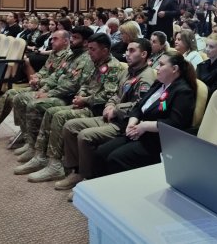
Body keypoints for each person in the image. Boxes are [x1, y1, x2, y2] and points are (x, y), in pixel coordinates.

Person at [21, 33, 124, 182]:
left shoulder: (113, 67)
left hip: (96, 109)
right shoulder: (96, 63)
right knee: (51, 112)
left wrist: (85, 100)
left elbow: (108, 95)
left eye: (93, 49)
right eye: (89, 49)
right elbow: (85, 84)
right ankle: (41, 155)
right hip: (84, 103)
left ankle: (56, 165)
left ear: (105, 50)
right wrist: (81, 96)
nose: (89, 52)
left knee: (59, 115)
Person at [56, 38, 157, 192]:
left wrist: (116, 109)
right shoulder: (128, 71)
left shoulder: (147, 77)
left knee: (85, 136)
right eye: (127, 50)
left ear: (143, 54)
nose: (127, 54)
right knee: (70, 126)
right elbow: (116, 93)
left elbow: (140, 105)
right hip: (111, 116)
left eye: (132, 51)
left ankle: (88, 178)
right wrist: (110, 104)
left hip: (125, 124)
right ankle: (75, 171)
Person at [94, 50, 196, 175]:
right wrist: (132, 123)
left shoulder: (183, 92)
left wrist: (144, 126)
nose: (157, 68)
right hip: (138, 132)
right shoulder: (159, 83)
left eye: (162, 65)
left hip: (157, 141)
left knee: (115, 158)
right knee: (101, 152)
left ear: (174, 69)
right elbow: (138, 106)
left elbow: (174, 124)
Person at [11, 27, 94, 171]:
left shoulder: (86, 58)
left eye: (76, 38)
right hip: (56, 92)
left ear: (86, 42)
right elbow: (56, 75)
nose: (72, 40)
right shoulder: (71, 56)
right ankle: (31, 144)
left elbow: (73, 86)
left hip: (66, 97)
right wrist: (44, 88)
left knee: (34, 104)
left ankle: (40, 153)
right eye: (72, 37)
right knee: (19, 98)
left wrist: (50, 94)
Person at [0, 31, 70, 142]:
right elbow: (44, 70)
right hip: (41, 86)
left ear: (65, 41)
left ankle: (27, 134)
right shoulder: (54, 53)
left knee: (20, 98)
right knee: (10, 93)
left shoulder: (68, 57)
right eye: (51, 39)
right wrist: (36, 76)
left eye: (55, 39)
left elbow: (57, 78)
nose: (51, 41)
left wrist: (39, 81)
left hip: (50, 90)